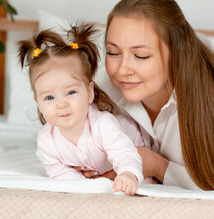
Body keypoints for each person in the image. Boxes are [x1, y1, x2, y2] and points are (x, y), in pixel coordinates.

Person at [80, 0, 214, 192]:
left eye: (141, 56)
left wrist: (157, 166)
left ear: (177, 54)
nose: (122, 69)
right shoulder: (97, 90)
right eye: (113, 52)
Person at [17, 23, 145, 195]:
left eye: (70, 92)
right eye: (49, 97)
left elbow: (126, 154)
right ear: (37, 102)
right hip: (104, 167)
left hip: (139, 147)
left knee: (141, 183)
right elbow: (61, 174)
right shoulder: (47, 140)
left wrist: (128, 174)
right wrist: (84, 185)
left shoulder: (103, 124)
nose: (61, 104)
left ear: (89, 92)